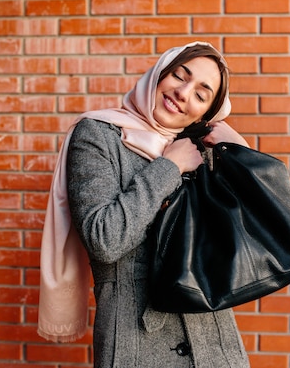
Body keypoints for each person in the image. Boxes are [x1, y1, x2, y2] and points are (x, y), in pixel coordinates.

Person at [38, 41, 251, 368]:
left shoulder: (203, 151)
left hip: (215, 347)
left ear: (207, 113)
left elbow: (247, 240)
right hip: (134, 346)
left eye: (201, 94)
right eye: (180, 76)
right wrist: (169, 168)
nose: (183, 93)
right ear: (159, 74)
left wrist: (241, 155)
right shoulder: (98, 135)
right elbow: (104, 240)